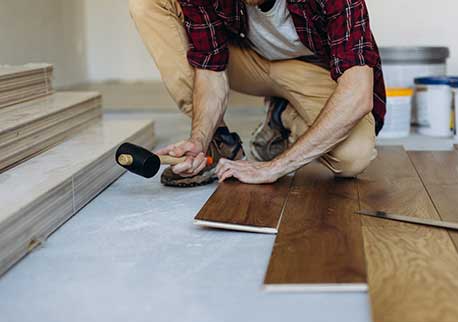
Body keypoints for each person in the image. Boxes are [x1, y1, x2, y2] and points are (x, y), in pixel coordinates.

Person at [129, 0, 386, 186]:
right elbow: (209, 70)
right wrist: (200, 139)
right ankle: (219, 145)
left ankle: (283, 115)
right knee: (148, 3)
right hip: (246, 62)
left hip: (313, 72)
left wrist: (275, 168)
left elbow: (357, 93)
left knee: (353, 157)